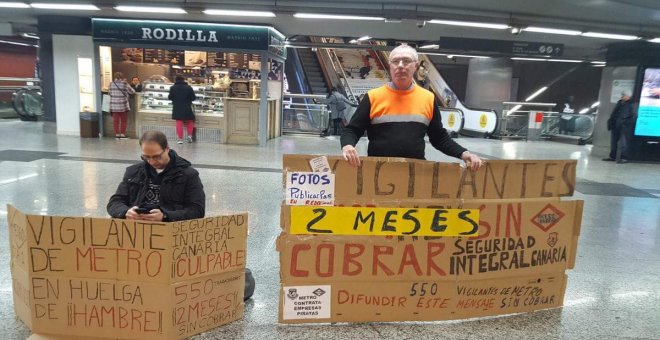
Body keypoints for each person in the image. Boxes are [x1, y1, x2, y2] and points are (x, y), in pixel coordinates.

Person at [106, 130, 255, 300]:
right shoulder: (134, 172)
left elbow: (197, 210)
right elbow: (114, 202)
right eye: (146, 157)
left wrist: (165, 216)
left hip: (171, 237)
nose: (152, 162)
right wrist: (126, 212)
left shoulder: (188, 175)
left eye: (156, 156)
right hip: (136, 237)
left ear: (167, 149)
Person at [340, 44, 483, 171]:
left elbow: (439, 137)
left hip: (415, 174)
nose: (400, 65)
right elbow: (352, 129)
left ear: (415, 66)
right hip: (379, 172)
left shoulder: (428, 98)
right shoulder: (373, 97)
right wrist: (347, 145)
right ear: (390, 66)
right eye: (395, 61)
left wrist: (463, 153)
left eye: (407, 61)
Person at [603, 91, 635, 163]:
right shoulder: (619, 103)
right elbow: (614, 113)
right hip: (615, 125)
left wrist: (626, 124)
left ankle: (624, 158)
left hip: (624, 127)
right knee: (613, 142)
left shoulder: (631, 104)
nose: (622, 96)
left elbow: (634, 116)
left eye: (623, 95)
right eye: (622, 95)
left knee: (624, 143)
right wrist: (611, 122)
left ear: (628, 96)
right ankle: (612, 157)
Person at [168, 75, 197, 144]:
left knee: (179, 122)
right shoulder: (188, 87)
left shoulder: (172, 88)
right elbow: (193, 98)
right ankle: (189, 136)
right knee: (190, 121)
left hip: (177, 107)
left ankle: (180, 139)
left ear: (176, 80)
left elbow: (170, 97)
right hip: (187, 107)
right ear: (184, 80)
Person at [109, 72, 135, 139]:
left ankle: (117, 135)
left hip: (114, 105)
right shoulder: (124, 83)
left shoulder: (111, 83)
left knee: (115, 121)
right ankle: (122, 134)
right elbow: (132, 91)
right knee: (123, 121)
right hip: (123, 105)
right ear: (122, 77)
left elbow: (109, 93)